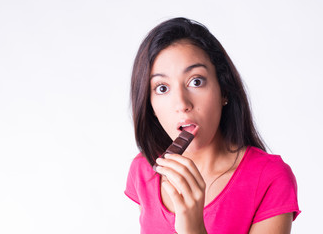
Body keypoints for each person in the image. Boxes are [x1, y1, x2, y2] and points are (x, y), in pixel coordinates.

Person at [125, 17, 300, 234]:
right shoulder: (143, 169)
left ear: (223, 90)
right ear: (149, 104)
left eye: (196, 81)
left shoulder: (270, 178)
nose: (182, 104)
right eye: (162, 88)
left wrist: (194, 228)